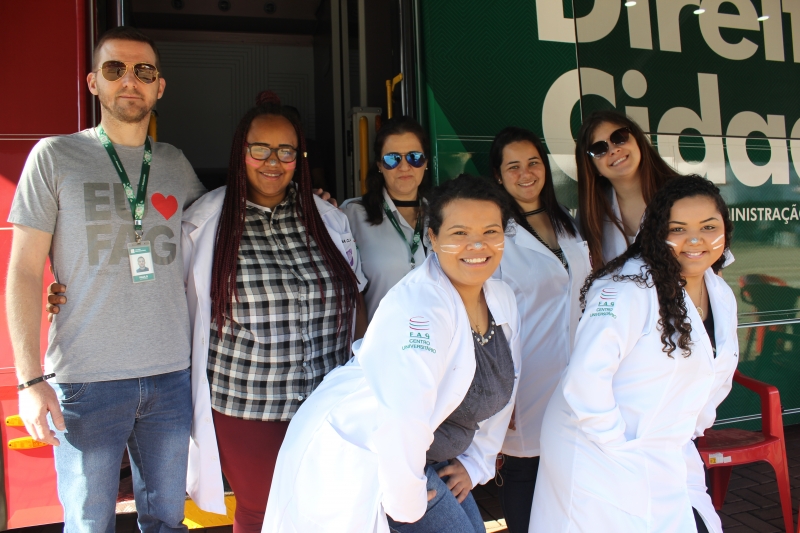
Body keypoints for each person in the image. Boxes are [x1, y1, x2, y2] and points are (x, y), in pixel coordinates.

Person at [5, 26, 206, 532]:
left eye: (144, 71)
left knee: (167, 520)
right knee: (89, 524)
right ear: (94, 82)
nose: (129, 81)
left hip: (169, 376)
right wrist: (30, 381)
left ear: (160, 86)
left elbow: (220, 230)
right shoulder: (54, 157)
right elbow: (24, 272)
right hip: (85, 378)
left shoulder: (174, 164)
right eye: (115, 69)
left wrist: (312, 204)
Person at [264, 174, 521, 533]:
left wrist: (475, 463)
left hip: (429, 453)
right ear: (433, 238)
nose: (477, 245)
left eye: (490, 231)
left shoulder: (500, 298)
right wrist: (407, 504)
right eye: (460, 232)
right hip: (373, 454)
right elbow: (403, 415)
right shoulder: (421, 308)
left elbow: (503, 388)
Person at [181, 91, 367, 533]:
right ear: (240, 152)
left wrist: (363, 375)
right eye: (260, 149)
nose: (272, 161)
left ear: (299, 157)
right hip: (249, 406)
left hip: (327, 401)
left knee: (328, 511)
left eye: (286, 151)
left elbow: (355, 297)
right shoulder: (205, 221)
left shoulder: (326, 217)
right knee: (262, 512)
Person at [530, 175, 738, 533]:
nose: (695, 240)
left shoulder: (719, 293)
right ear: (657, 232)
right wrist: (616, 444)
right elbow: (585, 380)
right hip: (599, 448)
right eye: (678, 228)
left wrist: (689, 427)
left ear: (725, 231)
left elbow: (716, 373)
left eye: (708, 227)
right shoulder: (627, 288)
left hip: (665, 447)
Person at [487, 127, 591, 532]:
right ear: (498, 176)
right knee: (525, 469)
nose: (526, 173)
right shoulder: (496, 233)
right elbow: (485, 314)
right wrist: (501, 389)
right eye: (513, 166)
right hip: (526, 377)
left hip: (577, 373)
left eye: (533, 162)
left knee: (571, 468)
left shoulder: (567, 222)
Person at [341, 116, 429, 321]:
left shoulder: (442, 215)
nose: (404, 167)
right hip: (378, 339)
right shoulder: (351, 215)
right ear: (380, 165)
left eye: (414, 157)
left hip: (437, 337)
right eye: (392, 159)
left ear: (425, 163)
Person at [575, 110, 681, 268]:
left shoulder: (684, 194)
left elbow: (711, 264)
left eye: (620, 137)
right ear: (592, 166)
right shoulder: (590, 214)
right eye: (599, 149)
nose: (613, 150)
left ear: (637, 139)